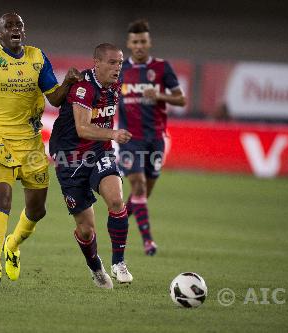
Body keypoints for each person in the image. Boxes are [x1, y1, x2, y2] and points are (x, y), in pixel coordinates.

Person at [0, 13, 81, 288]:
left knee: (37, 210)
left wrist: (67, 82)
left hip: (31, 143)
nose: (14, 29)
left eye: (18, 25)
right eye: (8, 26)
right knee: (2, 199)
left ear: (24, 30)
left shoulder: (37, 57)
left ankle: (12, 244)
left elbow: (54, 98)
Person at [49, 43, 133, 289]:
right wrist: (114, 133)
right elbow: (82, 128)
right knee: (86, 230)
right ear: (97, 63)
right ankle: (95, 267)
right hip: (70, 160)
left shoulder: (115, 85)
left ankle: (119, 263)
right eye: (112, 62)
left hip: (99, 152)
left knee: (116, 201)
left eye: (120, 62)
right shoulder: (84, 88)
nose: (118, 67)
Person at [118, 19, 186, 255]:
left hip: (155, 138)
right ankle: (148, 242)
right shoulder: (119, 70)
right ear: (128, 43)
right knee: (138, 186)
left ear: (149, 43)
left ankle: (118, 222)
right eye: (135, 41)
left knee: (143, 193)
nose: (139, 46)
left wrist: (159, 95)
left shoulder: (162, 68)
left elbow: (181, 99)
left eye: (143, 41)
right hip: (128, 139)